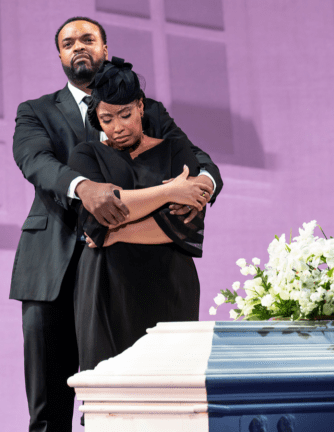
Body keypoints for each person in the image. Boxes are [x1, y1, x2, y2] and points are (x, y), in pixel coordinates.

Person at [11, 17, 222, 432]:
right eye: (68, 42)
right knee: (49, 408)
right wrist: (83, 186)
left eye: (87, 39)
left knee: (125, 399)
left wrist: (203, 185)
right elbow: (35, 162)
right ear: (59, 56)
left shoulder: (148, 107)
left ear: (105, 48)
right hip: (51, 267)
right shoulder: (35, 111)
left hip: (126, 276)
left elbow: (197, 159)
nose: (78, 47)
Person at [68, 57, 206, 372]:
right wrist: (168, 192)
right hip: (107, 287)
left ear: (141, 106)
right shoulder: (85, 156)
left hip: (171, 285)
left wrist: (116, 230)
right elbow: (98, 219)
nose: (117, 127)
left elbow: (186, 225)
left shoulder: (176, 151)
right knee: (109, 395)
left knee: (175, 398)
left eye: (126, 114)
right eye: (106, 119)